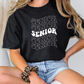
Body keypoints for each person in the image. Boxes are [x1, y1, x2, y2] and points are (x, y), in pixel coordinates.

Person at [0, 0, 84, 84]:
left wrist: (67, 54)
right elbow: (14, 53)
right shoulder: (17, 14)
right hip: (27, 67)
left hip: (56, 67)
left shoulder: (63, 12)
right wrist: (32, 75)